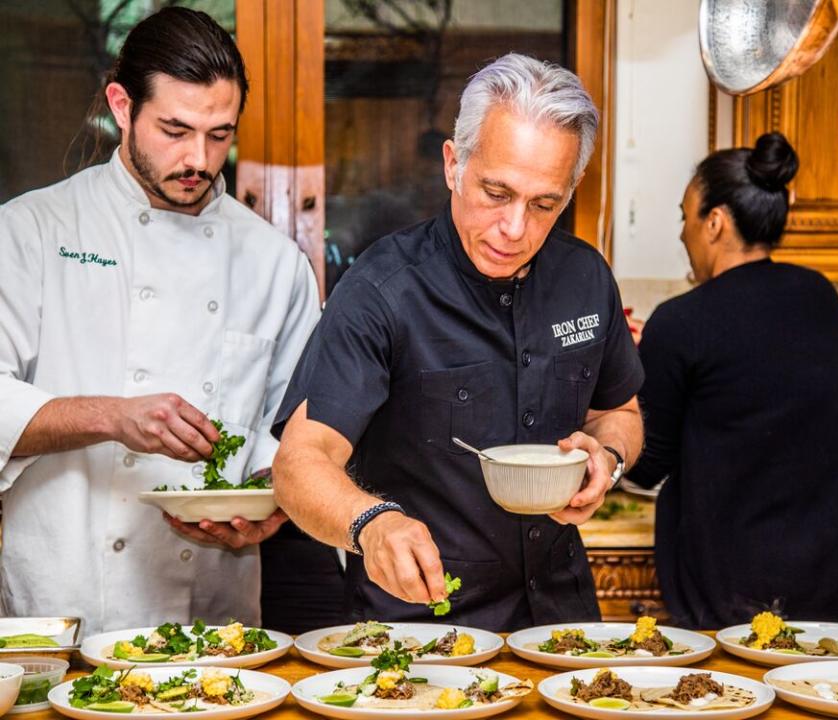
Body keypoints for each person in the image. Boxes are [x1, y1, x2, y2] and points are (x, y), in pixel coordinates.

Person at [271, 54, 644, 631]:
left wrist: (609, 458)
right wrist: (372, 522)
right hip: (422, 637)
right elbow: (299, 464)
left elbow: (618, 412)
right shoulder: (381, 288)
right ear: (453, 165)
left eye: (544, 204)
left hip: (563, 626)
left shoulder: (586, 278)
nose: (515, 228)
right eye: (496, 193)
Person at [0, 7, 320, 634]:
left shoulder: (276, 263)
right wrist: (114, 417)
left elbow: (293, 433)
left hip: (213, 622)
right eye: (174, 130)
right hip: (61, 610)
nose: (198, 158)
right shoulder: (32, 231)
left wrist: (267, 504)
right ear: (122, 106)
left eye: (220, 134)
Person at [626, 132, 838, 628]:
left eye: (686, 218)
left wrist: (626, 371)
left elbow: (645, 466)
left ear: (715, 223)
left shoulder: (681, 322)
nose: (683, 234)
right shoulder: (820, 297)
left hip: (735, 599)